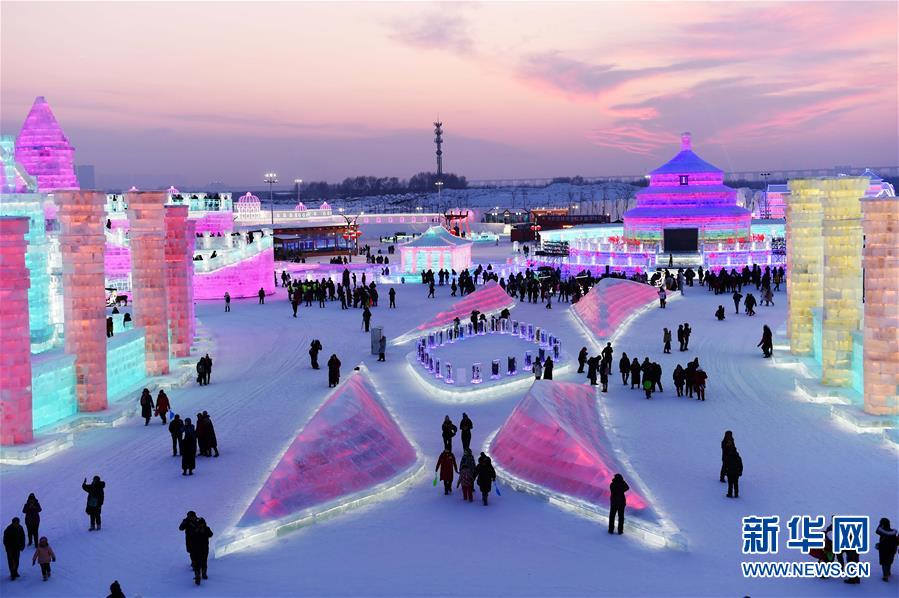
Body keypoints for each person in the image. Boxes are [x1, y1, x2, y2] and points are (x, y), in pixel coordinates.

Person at [188, 518, 213, 585]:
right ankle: (204, 575)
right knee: (204, 561)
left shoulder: (194, 528)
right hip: (204, 549)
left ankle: (197, 576)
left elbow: (190, 538)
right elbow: (211, 535)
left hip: (196, 549)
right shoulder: (206, 528)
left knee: (197, 563)